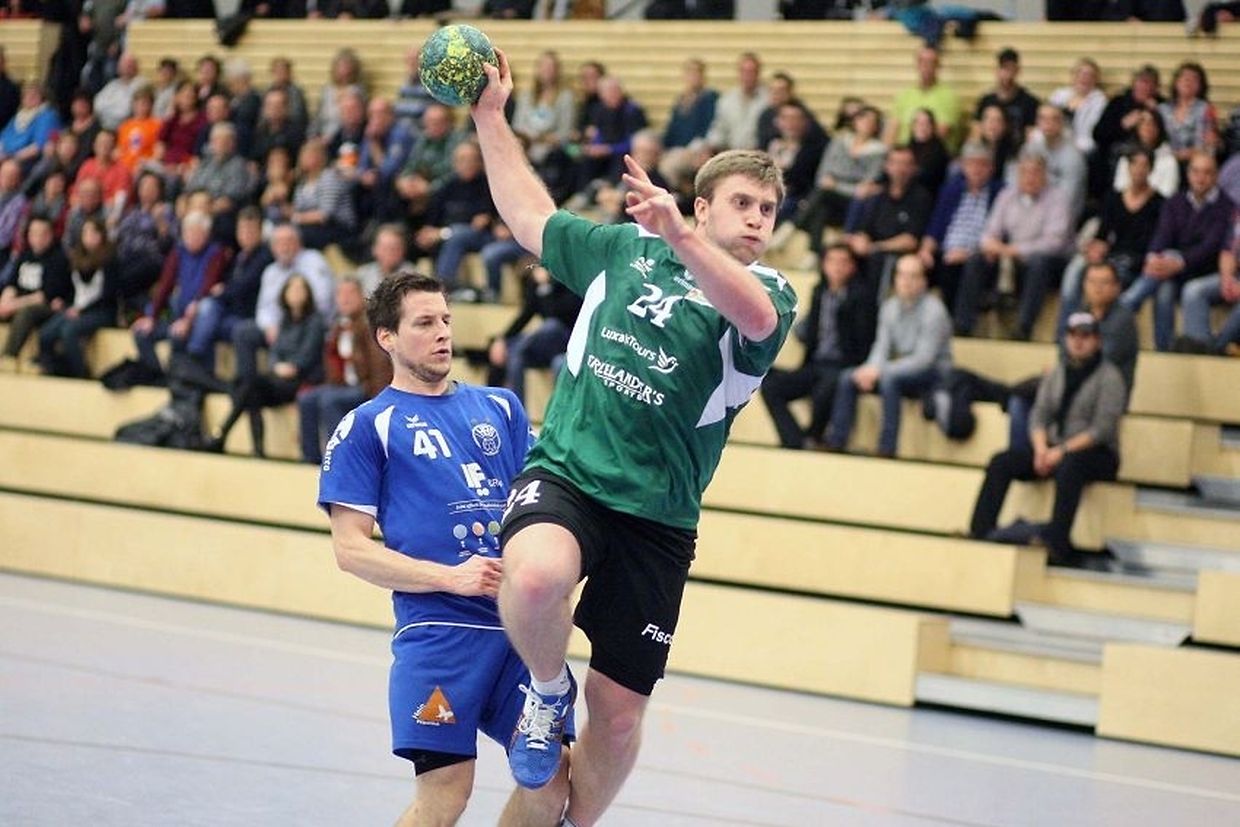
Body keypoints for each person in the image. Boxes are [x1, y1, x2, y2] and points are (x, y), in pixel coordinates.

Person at [471, 48, 797, 824]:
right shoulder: (626, 250)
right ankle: (546, 690)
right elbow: (530, 215)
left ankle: (572, 820)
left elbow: (752, 317)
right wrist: (489, 117)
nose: (757, 218)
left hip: (658, 517)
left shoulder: (770, 293)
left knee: (616, 717)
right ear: (703, 204)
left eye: (768, 209)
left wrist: (683, 238)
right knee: (537, 577)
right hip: (570, 475)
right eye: (743, 202)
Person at [317, 271, 573, 826]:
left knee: (552, 782)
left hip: (520, 633)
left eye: (446, 320)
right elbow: (350, 550)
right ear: (387, 337)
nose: (442, 333)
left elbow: (544, 500)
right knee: (445, 797)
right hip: (440, 633)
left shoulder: (501, 408)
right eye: (424, 323)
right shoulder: (367, 427)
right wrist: (451, 577)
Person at [970, 312, 1126, 567]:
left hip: (1097, 453)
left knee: (1071, 467)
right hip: (1054, 448)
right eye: (1073, 335)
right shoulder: (1057, 373)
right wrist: (1041, 449)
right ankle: (980, 531)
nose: (1078, 341)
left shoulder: (1110, 378)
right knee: (1002, 461)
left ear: (1097, 341)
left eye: (1085, 336)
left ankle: (1058, 542)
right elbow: (1039, 415)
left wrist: (1061, 451)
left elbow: (1102, 429)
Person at [823, 253, 951, 458]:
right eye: (902, 275)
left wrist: (880, 371)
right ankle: (836, 441)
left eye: (913, 276)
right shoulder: (889, 307)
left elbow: (924, 360)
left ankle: (887, 448)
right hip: (899, 368)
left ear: (923, 281)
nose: (906, 281)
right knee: (849, 377)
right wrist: (869, 369)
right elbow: (881, 346)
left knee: (889, 380)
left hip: (934, 373)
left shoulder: (934, 311)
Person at [760, 243, 876, 449]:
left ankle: (814, 436)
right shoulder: (819, 292)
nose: (837, 267)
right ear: (824, 265)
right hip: (815, 363)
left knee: (826, 387)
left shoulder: (861, 296)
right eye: (832, 261)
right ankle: (795, 441)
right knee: (770, 384)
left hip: (843, 364)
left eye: (843, 262)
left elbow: (864, 338)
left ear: (852, 267)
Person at [955, 150, 1074, 339]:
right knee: (977, 259)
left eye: (1035, 172)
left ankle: (1024, 328)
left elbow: (1054, 243)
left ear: (1044, 175)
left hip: (1050, 261)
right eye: (1025, 172)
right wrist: (995, 247)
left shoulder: (1058, 199)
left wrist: (1013, 250)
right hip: (1012, 259)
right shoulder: (1007, 195)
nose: (1030, 178)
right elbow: (988, 233)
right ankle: (963, 325)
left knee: (1039, 262)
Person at [1120, 151, 1232, 351]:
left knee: (1168, 277)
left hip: (1204, 270)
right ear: (1188, 174)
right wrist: (1153, 258)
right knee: (1163, 288)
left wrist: (1179, 262)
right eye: (1196, 172)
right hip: (1172, 271)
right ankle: (1164, 350)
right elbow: (1162, 234)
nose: (1200, 178)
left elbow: (1210, 247)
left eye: (1207, 173)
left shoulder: (1226, 207)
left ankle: (1124, 306)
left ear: (1216, 176)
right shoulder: (1175, 201)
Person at [207, 274, 324, 456]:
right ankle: (257, 449)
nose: (295, 293)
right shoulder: (284, 320)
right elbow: (275, 350)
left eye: (300, 289)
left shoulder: (315, 321)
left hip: (300, 379)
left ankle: (222, 433)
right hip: (278, 376)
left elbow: (309, 354)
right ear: (284, 293)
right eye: (292, 289)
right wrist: (277, 366)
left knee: (248, 385)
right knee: (251, 390)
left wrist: (293, 367)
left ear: (308, 293)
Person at [1058, 146, 1163, 332]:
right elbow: (1102, 234)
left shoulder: (1160, 202)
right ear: (1128, 167)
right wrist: (1095, 248)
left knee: (1104, 281)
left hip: (1138, 262)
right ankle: (1066, 329)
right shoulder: (1113, 198)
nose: (1139, 169)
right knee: (1076, 268)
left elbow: (1157, 241)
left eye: (1144, 165)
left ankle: (1100, 330)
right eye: (1134, 164)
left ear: (1151, 169)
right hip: (1112, 256)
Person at [297, 276, 390, 465]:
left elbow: (380, 366)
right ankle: (310, 459)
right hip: (341, 385)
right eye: (340, 294)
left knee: (329, 400)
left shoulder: (369, 325)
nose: (345, 299)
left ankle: (339, 460)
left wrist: (379, 400)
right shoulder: (338, 326)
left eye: (350, 293)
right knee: (306, 399)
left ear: (362, 296)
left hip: (365, 387)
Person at [130, 210, 231, 374]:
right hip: (178, 314)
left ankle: (189, 369)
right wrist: (152, 317)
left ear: (206, 234)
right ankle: (157, 376)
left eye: (194, 232)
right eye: (186, 232)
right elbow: (165, 285)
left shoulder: (216, 253)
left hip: (199, 316)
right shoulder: (178, 252)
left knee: (185, 328)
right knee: (141, 332)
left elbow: (208, 286)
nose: (189, 237)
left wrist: (187, 320)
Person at [487, 263, 583, 404]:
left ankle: (516, 347)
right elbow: (526, 315)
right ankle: (517, 408)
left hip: (568, 342)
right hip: (547, 344)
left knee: (551, 326)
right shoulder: (537, 285)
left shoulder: (571, 282)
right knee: (515, 354)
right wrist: (502, 338)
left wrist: (546, 287)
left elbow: (558, 315)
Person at [37, 215, 119, 377]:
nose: (89, 237)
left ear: (101, 235)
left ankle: (81, 374)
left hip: (101, 311)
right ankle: (54, 369)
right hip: (77, 308)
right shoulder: (76, 258)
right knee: (46, 333)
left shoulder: (110, 260)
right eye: (85, 232)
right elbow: (72, 290)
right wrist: (63, 301)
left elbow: (109, 295)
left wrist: (82, 311)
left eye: (93, 233)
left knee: (69, 331)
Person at [0, 215, 72, 367]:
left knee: (26, 313)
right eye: (33, 233)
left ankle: (7, 358)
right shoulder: (25, 255)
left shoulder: (58, 258)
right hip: (19, 301)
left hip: (46, 307)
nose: (38, 238)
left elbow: (44, 295)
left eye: (42, 233)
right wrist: (5, 301)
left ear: (50, 235)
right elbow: (11, 284)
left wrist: (12, 305)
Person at [1179, 207, 1240, 354]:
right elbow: (1228, 251)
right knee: (1194, 290)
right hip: (1235, 275)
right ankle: (1200, 347)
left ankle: (1216, 349)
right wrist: (1227, 279)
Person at [884, 46, 961, 151]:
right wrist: (886, 152)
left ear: (938, 66)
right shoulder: (904, 95)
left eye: (931, 63)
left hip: (933, 153)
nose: (926, 66)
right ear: (917, 65)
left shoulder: (949, 97)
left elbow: (941, 133)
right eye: (922, 62)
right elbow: (891, 130)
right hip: (902, 153)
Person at [704, 51, 767, 152]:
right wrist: (710, 146)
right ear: (739, 73)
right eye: (744, 72)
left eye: (752, 72)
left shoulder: (768, 100)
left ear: (758, 73)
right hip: (731, 154)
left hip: (758, 154)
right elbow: (719, 128)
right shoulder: (726, 100)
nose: (748, 76)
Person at [974, 47, 1039, 140]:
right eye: (1004, 68)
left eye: (1011, 68)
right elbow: (976, 135)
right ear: (996, 70)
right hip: (991, 147)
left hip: (1019, 148)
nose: (1007, 74)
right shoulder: (985, 101)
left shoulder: (1030, 102)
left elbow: (1032, 138)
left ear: (1017, 71)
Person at [1047, 57, 1106, 157]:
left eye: (1090, 75)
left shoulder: (1100, 101)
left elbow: (1090, 133)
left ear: (1096, 80)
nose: (1084, 78)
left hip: (1083, 148)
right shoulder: (1059, 95)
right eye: (1080, 73)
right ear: (1073, 76)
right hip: (1055, 143)